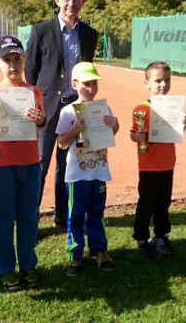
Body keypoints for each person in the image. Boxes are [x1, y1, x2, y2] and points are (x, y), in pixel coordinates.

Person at [24, 0, 98, 228]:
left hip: (76, 107)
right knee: (41, 164)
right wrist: (40, 102)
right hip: (48, 109)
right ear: (57, 1)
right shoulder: (40, 31)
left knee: (67, 164)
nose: (71, 3)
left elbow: (87, 71)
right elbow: (31, 72)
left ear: (83, 1)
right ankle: (31, 220)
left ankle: (61, 216)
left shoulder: (89, 34)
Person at [0, 35, 46, 291]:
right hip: (3, 165)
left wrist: (40, 118)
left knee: (29, 216)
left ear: (24, 60)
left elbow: (42, 122)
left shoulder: (34, 91)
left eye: (17, 59)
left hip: (30, 163)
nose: (13, 65)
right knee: (3, 218)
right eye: (7, 60)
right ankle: (6, 269)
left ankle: (28, 264)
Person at [56, 62, 119, 276]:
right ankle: (74, 256)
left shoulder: (104, 108)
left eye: (94, 83)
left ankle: (99, 251)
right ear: (74, 84)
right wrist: (74, 129)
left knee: (97, 213)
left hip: (99, 171)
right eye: (86, 84)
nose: (91, 89)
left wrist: (114, 124)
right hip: (76, 174)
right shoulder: (67, 111)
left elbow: (111, 133)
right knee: (75, 215)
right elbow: (61, 143)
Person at [130, 61, 186, 258]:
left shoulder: (174, 107)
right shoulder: (141, 109)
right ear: (146, 83)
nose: (163, 84)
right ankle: (141, 238)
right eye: (157, 81)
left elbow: (175, 133)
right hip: (148, 167)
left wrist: (183, 124)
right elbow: (134, 134)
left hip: (167, 164)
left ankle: (161, 236)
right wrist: (136, 136)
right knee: (146, 203)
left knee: (163, 203)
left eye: (167, 80)